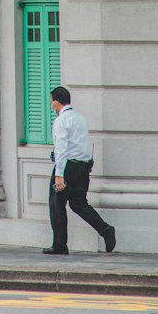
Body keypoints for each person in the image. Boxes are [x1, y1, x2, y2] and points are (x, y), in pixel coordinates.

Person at [42, 85, 116, 256]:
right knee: (79, 204)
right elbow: (82, 144)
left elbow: (61, 148)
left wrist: (59, 175)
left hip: (67, 167)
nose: (51, 104)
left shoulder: (61, 121)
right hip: (82, 167)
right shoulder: (80, 118)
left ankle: (59, 245)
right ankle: (105, 229)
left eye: (51, 101)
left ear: (56, 102)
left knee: (56, 205)